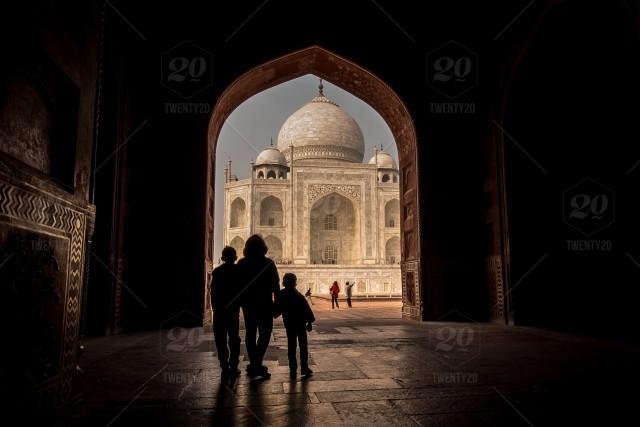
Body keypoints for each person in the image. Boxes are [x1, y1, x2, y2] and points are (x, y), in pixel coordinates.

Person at [238, 235, 280, 379]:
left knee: (250, 333)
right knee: (265, 333)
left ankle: (254, 363)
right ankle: (257, 363)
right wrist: (277, 303)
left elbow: (236, 285)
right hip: (264, 303)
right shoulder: (268, 263)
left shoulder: (242, 263)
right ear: (263, 248)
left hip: (248, 304)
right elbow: (276, 285)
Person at [274, 273, 315, 378]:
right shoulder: (297, 294)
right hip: (300, 323)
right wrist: (309, 322)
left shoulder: (281, 294)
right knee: (303, 347)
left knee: (291, 347)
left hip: (289, 324)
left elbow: (276, 311)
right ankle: (304, 368)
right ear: (294, 283)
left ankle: (293, 369)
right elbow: (306, 309)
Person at [210, 246, 241, 376]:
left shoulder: (217, 272)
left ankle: (224, 365)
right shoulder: (238, 271)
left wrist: (215, 307)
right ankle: (233, 365)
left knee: (220, 338)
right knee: (234, 338)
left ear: (222, 258)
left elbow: (213, 292)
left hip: (219, 310)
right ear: (235, 258)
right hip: (233, 310)